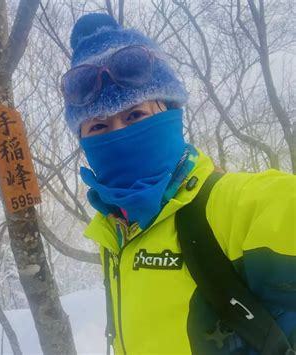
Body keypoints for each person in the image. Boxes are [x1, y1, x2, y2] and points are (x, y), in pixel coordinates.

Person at [60, 13, 296, 354]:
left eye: (135, 115)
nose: (120, 133)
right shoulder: (114, 232)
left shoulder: (232, 205)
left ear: (171, 114)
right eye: (98, 127)